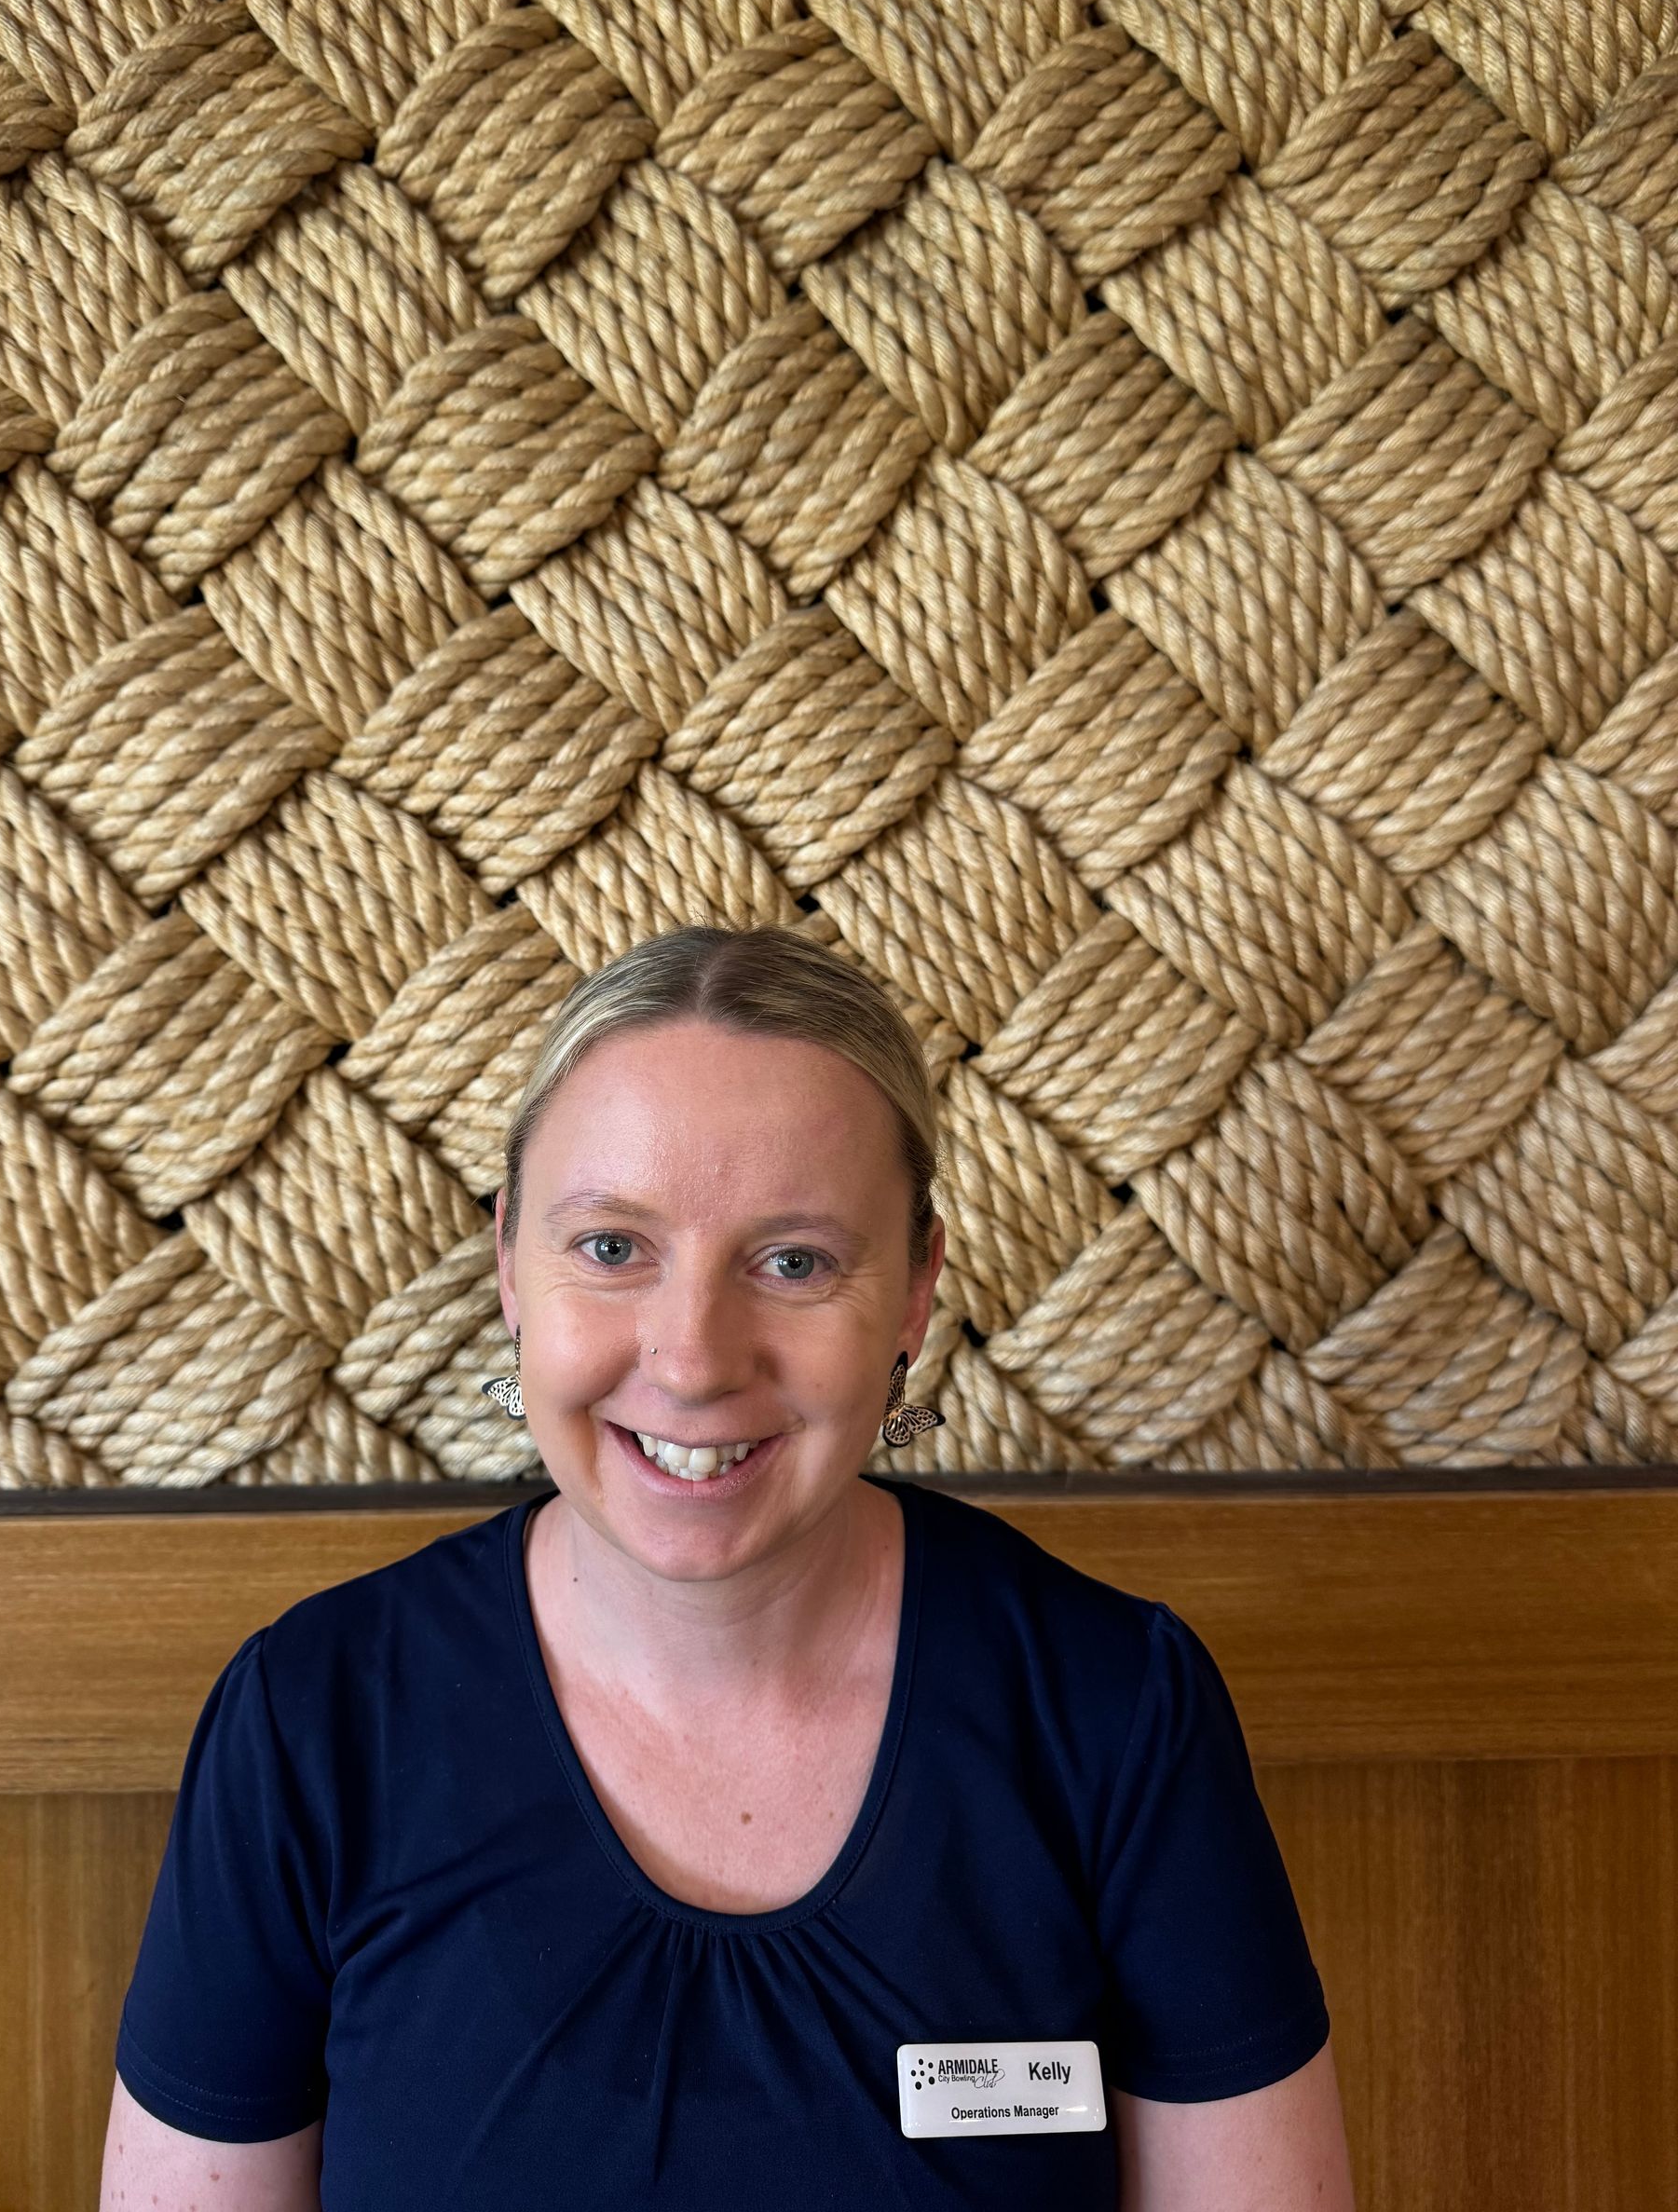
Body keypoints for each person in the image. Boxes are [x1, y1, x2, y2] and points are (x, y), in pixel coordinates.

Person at [101, 924, 1356, 2212]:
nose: (694, 1359)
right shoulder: (310, 1721)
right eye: (611, 1248)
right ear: (509, 1265)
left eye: (794, 1261)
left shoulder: (1115, 1709)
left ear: (916, 1289)